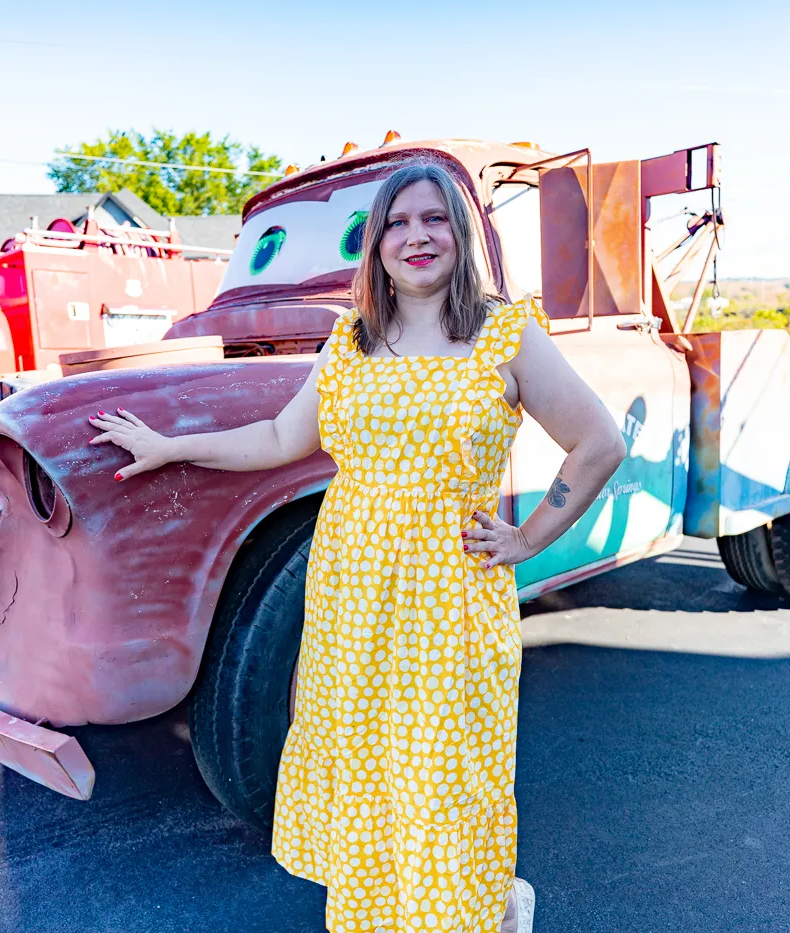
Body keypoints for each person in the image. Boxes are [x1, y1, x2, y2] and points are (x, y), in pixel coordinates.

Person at [90, 162, 626, 933]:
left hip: (450, 608)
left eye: (435, 219)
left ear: (461, 234)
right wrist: (173, 445)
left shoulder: (504, 333)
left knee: (446, 780)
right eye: (399, 222)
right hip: (351, 605)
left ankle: (487, 910)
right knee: (371, 775)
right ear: (375, 244)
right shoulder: (351, 343)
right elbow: (281, 436)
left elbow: (597, 442)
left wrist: (530, 536)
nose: (417, 236)